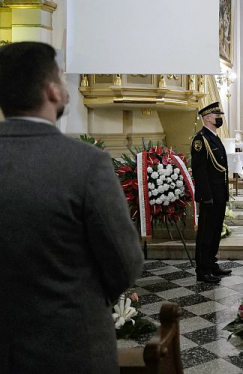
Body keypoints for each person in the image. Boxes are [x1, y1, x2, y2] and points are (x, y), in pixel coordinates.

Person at [0, 41, 144, 372]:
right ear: (52, 91)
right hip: (69, 349)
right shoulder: (85, 163)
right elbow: (125, 264)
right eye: (63, 79)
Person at [192, 102, 232, 284]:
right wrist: (206, 196)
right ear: (208, 118)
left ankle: (212, 263)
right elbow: (200, 171)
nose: (219, 118)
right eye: (217, 115)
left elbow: (221, 169)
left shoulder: (214, 137)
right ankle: (203, 270)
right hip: (209, 196)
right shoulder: (201, 140)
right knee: (206, 234)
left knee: (215, 232)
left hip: (218, 194)